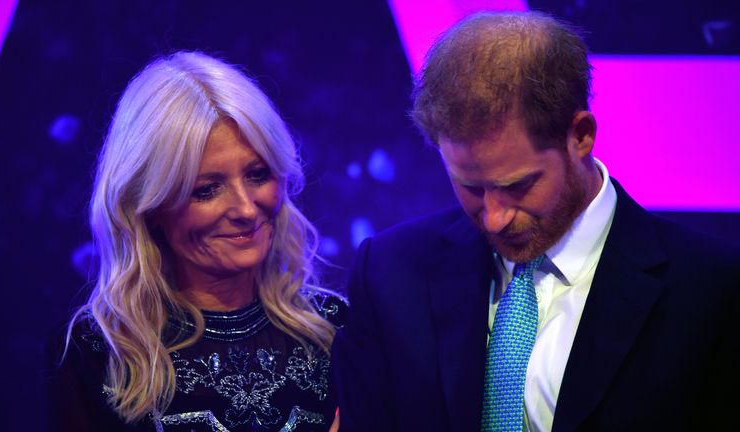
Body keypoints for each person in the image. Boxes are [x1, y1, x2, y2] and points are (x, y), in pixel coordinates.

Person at [331, 11, 740, 432]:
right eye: (470, 187)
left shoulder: (711, 291)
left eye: (517, 185)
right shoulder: (390, 273)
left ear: (580, 135)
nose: (493, 218)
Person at [46, 51, 346, 432]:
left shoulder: (337, 330)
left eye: (257, 175)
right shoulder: (96, 351)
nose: (246, 209)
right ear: (149, 205)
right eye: (207, 189)